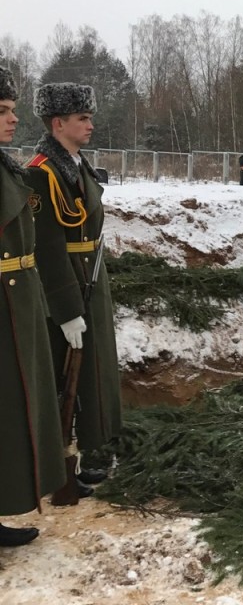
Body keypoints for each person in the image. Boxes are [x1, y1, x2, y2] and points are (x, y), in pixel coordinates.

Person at [25, 82, 122, 488]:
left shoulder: (77, 164)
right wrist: (65, 310)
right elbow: (46, 249)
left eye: (89, 117)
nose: (90, 125)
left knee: (95, 368)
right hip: (66, 285)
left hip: (90, 278)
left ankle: (95, 447)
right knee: (67, 377)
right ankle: (62, 461)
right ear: (58, 122)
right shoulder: (40, 173)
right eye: (82, 118)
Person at [0, 66, 65, 546]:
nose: (12, 120)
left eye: (12, 111)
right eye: (2, 111)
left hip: (16, 303)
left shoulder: (5, 166)